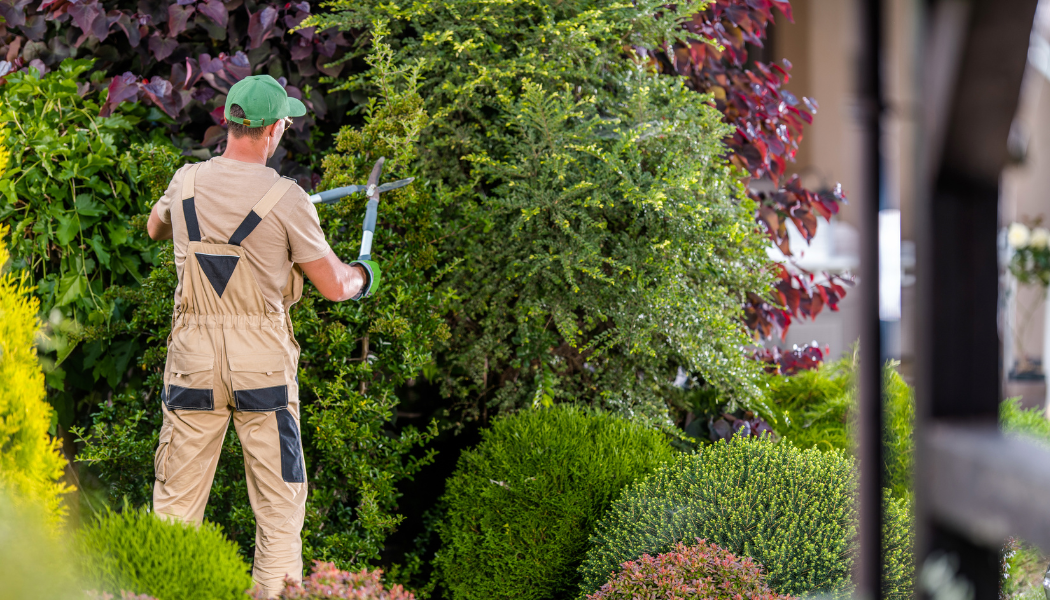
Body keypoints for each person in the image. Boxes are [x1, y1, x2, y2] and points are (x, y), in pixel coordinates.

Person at [145, 75, 378, 597]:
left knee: (175, 509)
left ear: (230, 123)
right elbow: (336, 287)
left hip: (193, 361)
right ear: (273, 130)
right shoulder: (289, 198)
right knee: (278, 511)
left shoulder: (184, 182)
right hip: (263, 368)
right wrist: (366, 274)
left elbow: (155, 229)